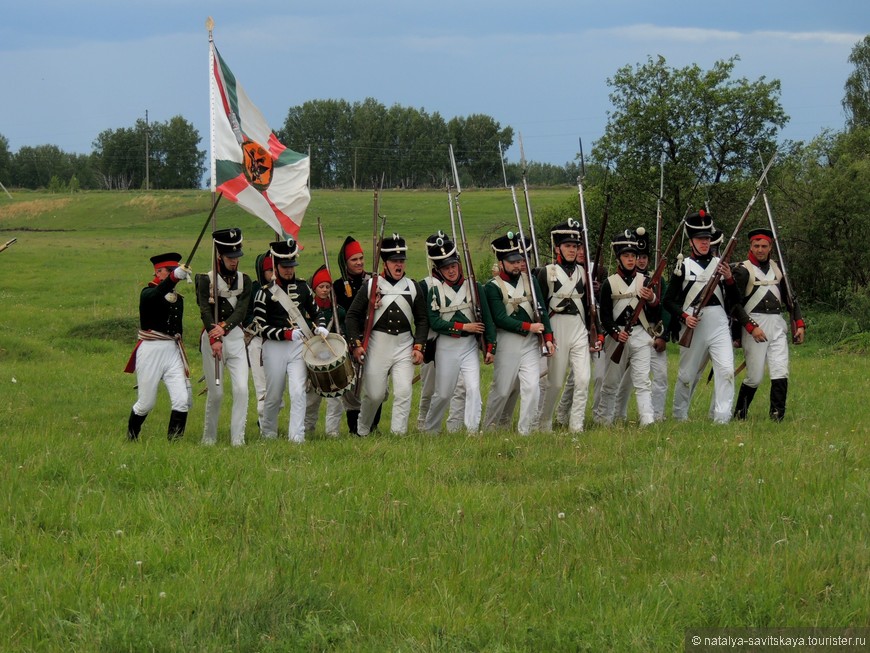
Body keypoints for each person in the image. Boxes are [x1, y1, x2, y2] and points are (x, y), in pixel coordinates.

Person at [345, 233, 429, 436]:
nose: (399, 265)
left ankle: (398, 434)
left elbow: (422, 320)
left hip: (404, 345)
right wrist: (356, 344)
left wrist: (419, 346)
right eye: (394, 261)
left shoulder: (413, 287)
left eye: (401, 261)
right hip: (378, 345)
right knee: (374, 395)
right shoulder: (372, 285)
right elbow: (352, 316)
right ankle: (363, 430)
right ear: (386, 262)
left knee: (403, 392)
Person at [664, 210, 739, 424]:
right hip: (693, 323)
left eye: (707, 239)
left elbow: (735, 301)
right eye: (700, 239)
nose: (705, 243)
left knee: (726, 370)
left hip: (718, 323)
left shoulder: (721, 265)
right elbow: (668, 301)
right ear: (691, 242)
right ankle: (679, 415)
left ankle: (722, 418)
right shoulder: (683, 266)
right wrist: (684, 316)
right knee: (687, 375)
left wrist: (729, 279)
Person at [253, 237, 327, 442]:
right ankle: (268, 434)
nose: (289, 270)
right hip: (274, 348)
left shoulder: (303, 288)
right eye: (285, 266)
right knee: (274, 396)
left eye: (291, 266)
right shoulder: (264, 293)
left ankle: (297, 436)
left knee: (298, 392)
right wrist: (285, 333)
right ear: (276, 266)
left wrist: (320, 326)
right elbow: (260, 327)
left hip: (298, 347)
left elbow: (317, 311)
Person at [482, 232, 555, 435]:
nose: (517, 265)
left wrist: (548, 337)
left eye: (519, 260)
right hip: (507, 342)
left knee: (532, 387)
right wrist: (528, 327)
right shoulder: (492, 287)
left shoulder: (530, 280)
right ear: (501, 262)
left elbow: (541, 310)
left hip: (530, 343)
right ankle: (489, 428)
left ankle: (526, 431)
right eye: (512, 261)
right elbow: (499, 318)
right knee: (503, 389)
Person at [423, 232, 495, 434]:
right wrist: (464, 327)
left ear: (459, 265)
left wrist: (491, 347)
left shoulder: (475, 287)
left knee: (473, 389)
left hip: (469, 346)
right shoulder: (435, 292)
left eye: (453, 266)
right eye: (446, 267)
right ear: (440, 270)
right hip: (446, 346)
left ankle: (472, 431)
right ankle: (431, 429)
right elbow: (435, 322)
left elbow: (486, 320)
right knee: (444, 394)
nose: (451, 271)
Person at [731, 228, 805, 420]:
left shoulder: (778, 268)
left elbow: (791, 299)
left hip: (777, 324)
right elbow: (734, 305)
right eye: (756, 246)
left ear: (770, 246)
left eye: (764, 246)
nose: (760, 250)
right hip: (754, 325)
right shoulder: (742, 270)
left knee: (780, 370)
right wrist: (751, 327)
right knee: (754, 377)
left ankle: (777, 415)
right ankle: (740, 414)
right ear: (751, 246)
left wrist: (800, 323)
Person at [537, 219, 600, 433]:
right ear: (557, 248)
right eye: (568, 246)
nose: (572, 250)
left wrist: (597, 334)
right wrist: (546, 335)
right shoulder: (546, 272)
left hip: (578, 327)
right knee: (554, 383)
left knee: (583, 378)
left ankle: (576, 425)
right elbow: (541, 307)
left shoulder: (585, 273)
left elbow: (591, 307)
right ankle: (544, 423)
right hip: (556, 326)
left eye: (575, 246)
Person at [124, 252, 192, 441]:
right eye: (170, 271)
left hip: (172, 350)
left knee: (181, 400)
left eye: (175, 270)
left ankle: (174, 443)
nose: (175, 274)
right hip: (151, 349)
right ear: (158, 272)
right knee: (146, 403)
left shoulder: (178, 298)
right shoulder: (147, 293)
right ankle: (132, 436)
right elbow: (157, 294)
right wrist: (172, 278)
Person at [597, 228, 660, 427]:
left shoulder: (646, 282)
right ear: (619, 258)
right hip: (617, 337)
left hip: (641, 335)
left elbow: (655, 313)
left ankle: (647, 419)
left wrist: (651, 299)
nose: (631, 259)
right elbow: (605, 316)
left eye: (633, 255)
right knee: (611, 382)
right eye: (626, 255)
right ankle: (604, 420)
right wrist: (616, 334)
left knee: (643, 381)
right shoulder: (609, 283)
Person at [196, 228, 253, 446]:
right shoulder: (205, 280)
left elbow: (242, 311)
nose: (234, 261)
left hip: (236, 340)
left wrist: (225, 329)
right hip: (213, 343)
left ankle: (238, 438)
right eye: (230, 257)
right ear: (219, 256)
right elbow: (204, 309)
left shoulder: (245, 280)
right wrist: (214, 337)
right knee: (217, 392)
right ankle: (208, 438)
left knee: (241, 389)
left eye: (237, 257)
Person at [613, 227, 669, 422]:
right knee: (625, 381)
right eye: (638, 256)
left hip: (653, 333)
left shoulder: (657, 280)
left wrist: (663, 336)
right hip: (629, 332)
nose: (641, 260)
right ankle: (618, 415)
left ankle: (657, 415)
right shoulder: (619, 280)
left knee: (659, 377)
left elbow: (665, 308)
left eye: (644, 256)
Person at [333, 236, 382, 434]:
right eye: (354, 259)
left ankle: (373, 425)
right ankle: (355, 428)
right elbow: (343, 314)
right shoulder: (337, 286)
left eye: (361, 258)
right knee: (351, 388)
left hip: (373, 338)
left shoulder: (374, 281)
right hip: (349, 339)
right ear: (346, 263)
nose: (360, 262)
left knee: (377, 384)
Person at [304, 265, 346, 437]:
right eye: (321, 286)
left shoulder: (338, 311)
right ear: (314, 288)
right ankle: (307, 430)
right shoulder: (307, 311)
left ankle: (332, 432)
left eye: (327, 287)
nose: (325, 290)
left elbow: (342, 329)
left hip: (332, 355)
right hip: (314, 355)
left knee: (335, 397)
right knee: (312, 398)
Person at [245, 252, 273, 427]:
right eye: (269, 270)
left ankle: (270, 421)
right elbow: (246, 316)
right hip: (258, 342)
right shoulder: (254, 289)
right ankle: (264, 425)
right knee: (262, 387)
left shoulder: (285, 288)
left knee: (278, 390)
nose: (273, 274)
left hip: (283, 342)